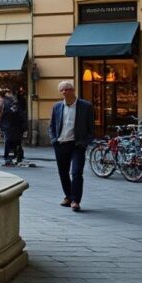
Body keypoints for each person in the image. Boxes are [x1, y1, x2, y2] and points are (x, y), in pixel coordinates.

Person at [48, 80, 95, 212]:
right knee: (63, 173)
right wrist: (53, 139)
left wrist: (84, 143)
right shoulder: (57, 106)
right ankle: (68, 196)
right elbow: (52, 126)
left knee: (76, 172)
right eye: (62, 90)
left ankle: (75, 200)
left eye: (67, 89)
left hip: (77, 145)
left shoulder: (86, 106)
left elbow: (91, 129)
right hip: (61, 144)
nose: (64, 92)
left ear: (73, 90)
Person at [0, 90, 26, 167]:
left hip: (8, 126)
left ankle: (8, 157)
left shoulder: (5, 102)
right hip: (16, 126)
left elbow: (1, 115)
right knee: (17, 142)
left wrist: (1, 125)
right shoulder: (15, 104)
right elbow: (21, 115)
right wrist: (23, 126)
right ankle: (17, 156)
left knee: (8, 141)